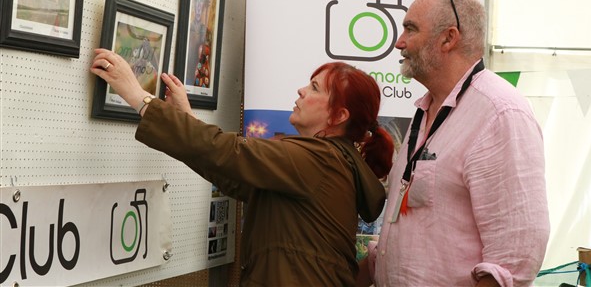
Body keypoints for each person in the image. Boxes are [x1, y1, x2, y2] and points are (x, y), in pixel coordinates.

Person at [90, 53, 395, 286]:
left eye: (315, 88)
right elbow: (236, 175)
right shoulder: (329, 162)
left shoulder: (321, 160)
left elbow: (231, 153)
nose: (302, 90)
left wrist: (138, 96)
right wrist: (186, 119)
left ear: (338, 116)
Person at [356, 0, 550, 287]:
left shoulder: (500, 113)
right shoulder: (427, 111)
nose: (399, 42)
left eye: (410, 29)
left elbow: (513, 258)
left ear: (448, 38)